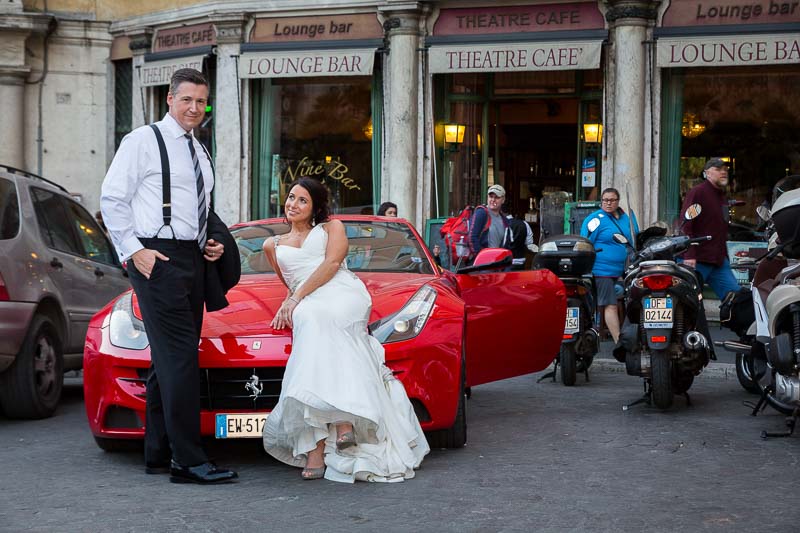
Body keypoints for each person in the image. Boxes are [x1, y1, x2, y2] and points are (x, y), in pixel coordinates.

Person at [100, 68, 237, 484]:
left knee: (168, 361)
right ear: (170, 100)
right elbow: (111, 198)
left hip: (191, 258)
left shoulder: (199, 150)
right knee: (180, 358)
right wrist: (135, 252)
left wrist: (210, 242)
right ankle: (188, 460)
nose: (194, 108)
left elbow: (199, 208)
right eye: (187, 100)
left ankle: (158, 451)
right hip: (155, 257)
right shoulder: (142, 141)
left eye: (201, 102)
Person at [261, 177, 429, 482]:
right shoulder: (271, 244)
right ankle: (337, 425)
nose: (293, 204)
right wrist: (291, 300)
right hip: (308, 299)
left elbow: (331, 264)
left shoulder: (331, 228)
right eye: (291, 198)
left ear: (315, 207)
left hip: (341, 292)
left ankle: (322, 443)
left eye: (302, 200)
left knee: (316, 317)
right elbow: (290, 281)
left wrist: (295, 300)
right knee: (311, 318)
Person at [580, 187, 639, 343]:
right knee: (610, 304)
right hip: (602, 270)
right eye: (605, 200)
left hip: (624, 269)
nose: (608, 203)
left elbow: (635, 239)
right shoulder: (595, 219)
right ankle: (618, 342)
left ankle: (632, 336)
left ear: (618, 201)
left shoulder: (627, 218)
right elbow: (584, 243)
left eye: (612, 200)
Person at [680, 157, 740, 300]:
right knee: (689, 302)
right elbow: (686, 224)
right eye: (718, 169)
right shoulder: (698, 192)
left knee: (736, 299)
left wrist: (724, 255)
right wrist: (689, 255)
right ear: (707, 173)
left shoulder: (722, 196)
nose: (723, 172)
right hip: (697, 260)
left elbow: (721, 228)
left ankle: (728, 323)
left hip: (718, 261)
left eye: (725, 169)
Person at [469, 184, 511, 255]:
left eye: (497, 197)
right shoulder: (481, 213)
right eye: (491, 197)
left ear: (503, 200)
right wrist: (481, 256)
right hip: (482, 262)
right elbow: (472, 238)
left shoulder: (505, 220)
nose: (493, 200)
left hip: (497, 261)